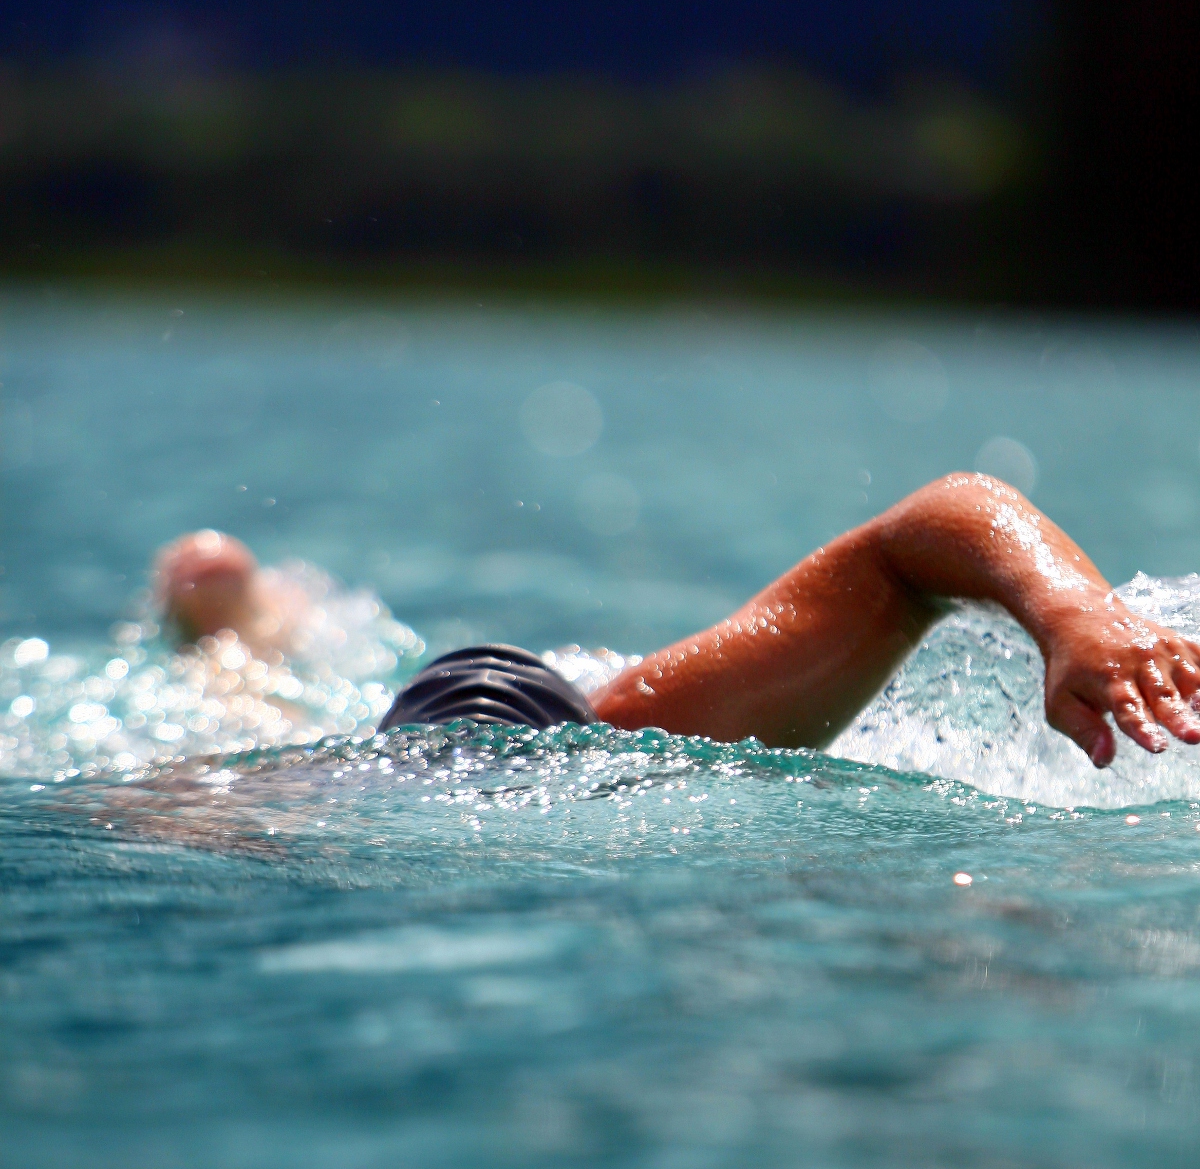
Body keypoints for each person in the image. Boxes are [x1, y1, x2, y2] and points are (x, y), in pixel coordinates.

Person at [156, 474, 1200, 769]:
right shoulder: (280, 804)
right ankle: (227, 627)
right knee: (236, 715)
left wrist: (1077, 614)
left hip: (551, 707)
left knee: (244, 714)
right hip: (389, 755)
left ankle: (230, 623)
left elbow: (930, 521)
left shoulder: (637, 719)